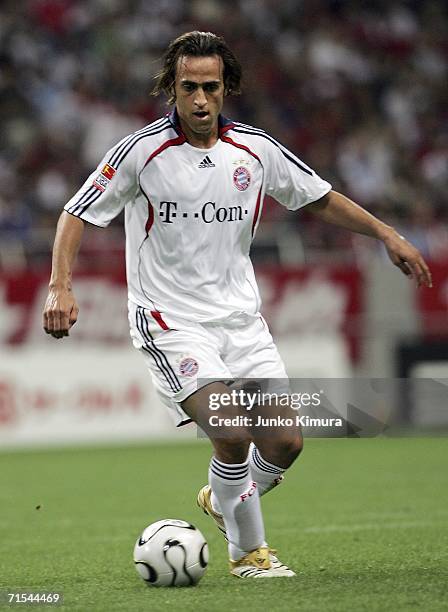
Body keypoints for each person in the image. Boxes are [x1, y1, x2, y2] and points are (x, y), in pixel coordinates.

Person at [43, 31, 432, 578]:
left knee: (286, 441)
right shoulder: (140, 152)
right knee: (229, 429)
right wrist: (60, 283)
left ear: (227, 89)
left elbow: (317, 198)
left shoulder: (256, 149)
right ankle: (249, 553)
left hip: (241, 322)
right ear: (170, 89)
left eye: (210, 87)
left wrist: (386, 233)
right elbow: (75, 214)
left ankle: (222, 499)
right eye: (188, 88)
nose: (199, 100)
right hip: (169, 320)